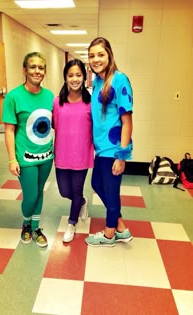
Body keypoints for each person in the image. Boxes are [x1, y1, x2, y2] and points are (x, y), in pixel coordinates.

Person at [85, 37, 133, 247]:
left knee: (111, 192)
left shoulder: (120, 80)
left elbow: (127, 121)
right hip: (100, 148)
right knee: (97, 184)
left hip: (113, 149)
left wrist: (122, 155)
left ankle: (109, 234)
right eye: (92, 55)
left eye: (100, 54)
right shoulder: (97, 81)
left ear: (109, 55)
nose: (96, 59)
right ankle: (121, 227)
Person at [2, 52, 54, 247]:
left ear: (45, 72)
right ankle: (26, 224)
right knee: (30, 194)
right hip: (25, 156)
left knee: (40, 191)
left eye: (41, 68)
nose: (37, 71)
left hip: (47, 155)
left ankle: (35, 226)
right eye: (32, 67)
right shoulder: (14, 97)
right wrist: (12, 159)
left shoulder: (50, 96)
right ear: (25, 70)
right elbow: (9, 130)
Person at [53, 59, 94, 243]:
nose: (75, 79)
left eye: (78, 75)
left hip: (82, 156)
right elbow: (52, 126)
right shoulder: (56, 102)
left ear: (84, 77)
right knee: (64, 191)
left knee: (76, 191)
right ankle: (82, 202)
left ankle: (71, 223)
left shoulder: (91, 103)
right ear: (65, 78)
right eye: (71, 75)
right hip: (62, 155)